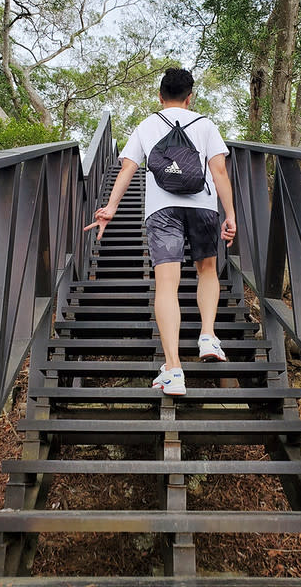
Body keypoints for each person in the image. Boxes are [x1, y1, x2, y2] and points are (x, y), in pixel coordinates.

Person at [84, 67, 236, 396]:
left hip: (161, 210)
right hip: (204, 207)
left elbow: (127, 168)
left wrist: (110, 208)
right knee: (207, 270)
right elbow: (220, 170)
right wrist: (231, 214)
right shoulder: (205, 124)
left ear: (160, 96)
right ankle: (207, 335)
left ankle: (174, 369)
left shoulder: (148, 124)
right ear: (190, 96)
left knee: (167, 285)